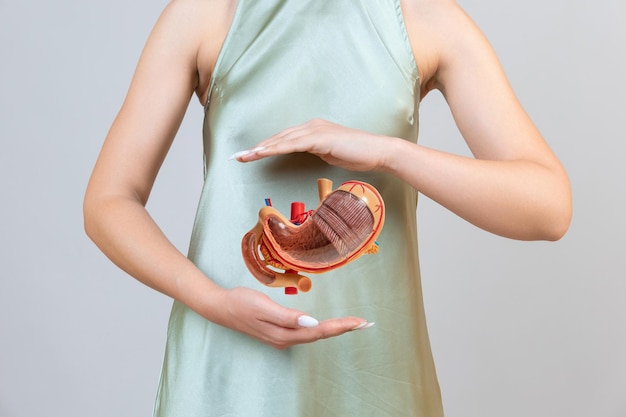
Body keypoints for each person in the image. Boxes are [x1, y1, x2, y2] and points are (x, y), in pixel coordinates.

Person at [83, 0, 572, 415]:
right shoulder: (207, 12)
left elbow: (548, 207)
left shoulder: (425, 18)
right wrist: (213, 303)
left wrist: (387, 152)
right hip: (228, 372)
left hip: (375, 371)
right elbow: (109, 201)